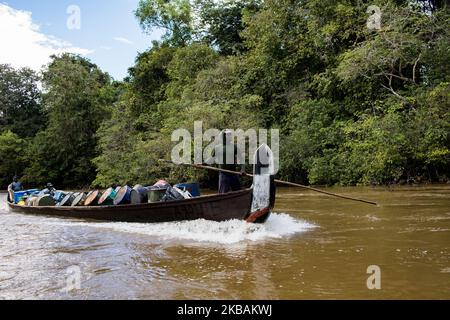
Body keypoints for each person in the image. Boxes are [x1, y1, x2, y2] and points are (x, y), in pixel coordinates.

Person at [208, 130, 246, 194]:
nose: (230, 136)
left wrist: (242, 169)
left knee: (238, 193)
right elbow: (211, 159)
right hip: (223, 174)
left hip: (233, 173)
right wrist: (203, 163)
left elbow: (242, 159)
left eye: (230, 135)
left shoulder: (234, 147)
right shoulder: (217, 148)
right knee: (222, 194)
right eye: (228, 135)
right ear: (223, 136)